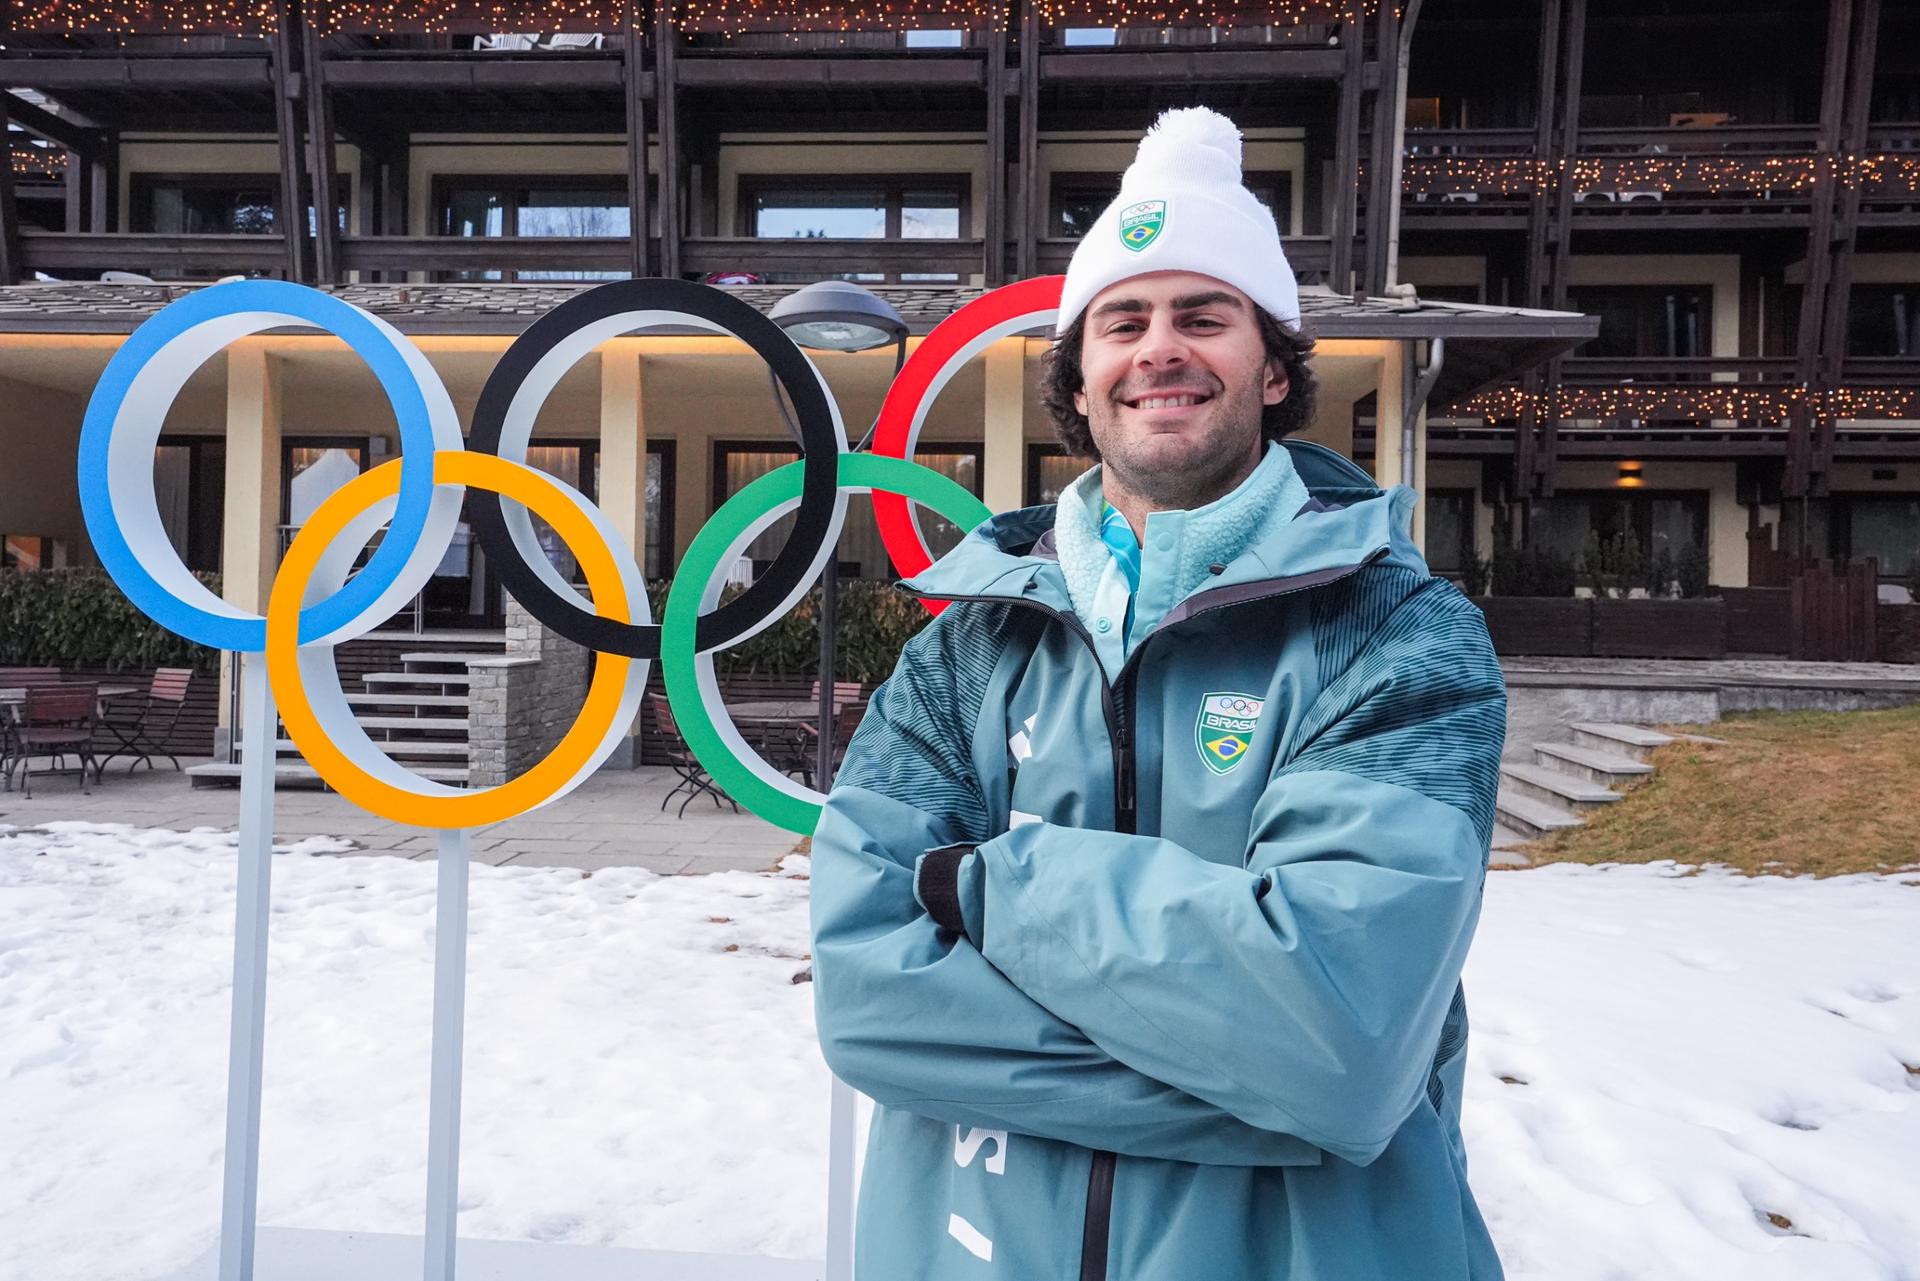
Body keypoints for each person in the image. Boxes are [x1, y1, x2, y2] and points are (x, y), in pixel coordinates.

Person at [809, 105, 1507, 1280]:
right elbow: (865, 995)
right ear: (1077, 383)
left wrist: (997, 883)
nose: (1160, 348)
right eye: (1121, 321)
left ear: (1274, 365)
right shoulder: (969, 641)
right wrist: (1250, 1059)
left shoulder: (1396, 630)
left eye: (1205, 316)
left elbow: (1339, 1035)